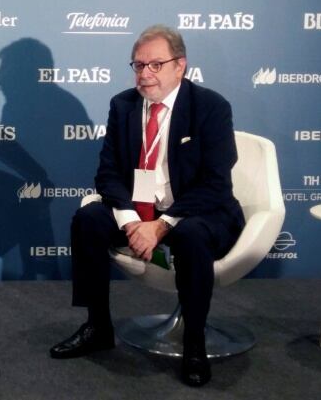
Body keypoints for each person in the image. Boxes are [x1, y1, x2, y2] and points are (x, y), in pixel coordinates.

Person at [49, 25, 244, 387]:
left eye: (155, 65)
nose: (145, 74)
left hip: (197, 211)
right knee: (89, 219)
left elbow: (215, 184)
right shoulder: (123, 105)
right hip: (138, 211)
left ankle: (194, 342)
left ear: (180, 66)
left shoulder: (210, 107)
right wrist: (129, 222)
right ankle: (97, 326)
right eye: (138, 65)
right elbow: (108, 174)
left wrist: (162, 224)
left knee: (192, 236)